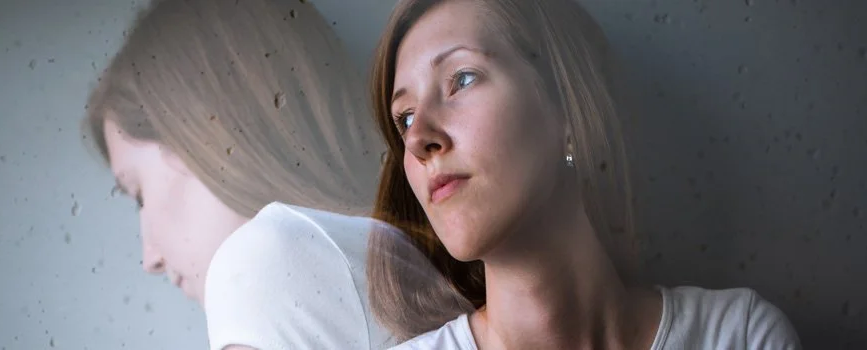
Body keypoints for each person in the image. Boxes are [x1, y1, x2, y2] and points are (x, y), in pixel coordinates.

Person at [364, 0, 803, 349]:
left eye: (461, 78)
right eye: (403, 118)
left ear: (567, 112)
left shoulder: (740, 336)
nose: (418, 138)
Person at [85, 0, 396, 348]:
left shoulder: (257, 262)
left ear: (202, 138)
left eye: (139, 193)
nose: (151, 258)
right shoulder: (396, 258)